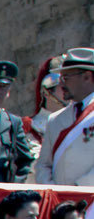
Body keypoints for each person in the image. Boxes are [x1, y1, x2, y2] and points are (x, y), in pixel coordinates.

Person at [38, 48, 94, 187]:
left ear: (86, 77)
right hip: (59, 205)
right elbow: (43, 165)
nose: (61, 84)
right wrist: (53, 193)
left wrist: (76, 191)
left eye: (66, 78)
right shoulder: (55, 119)